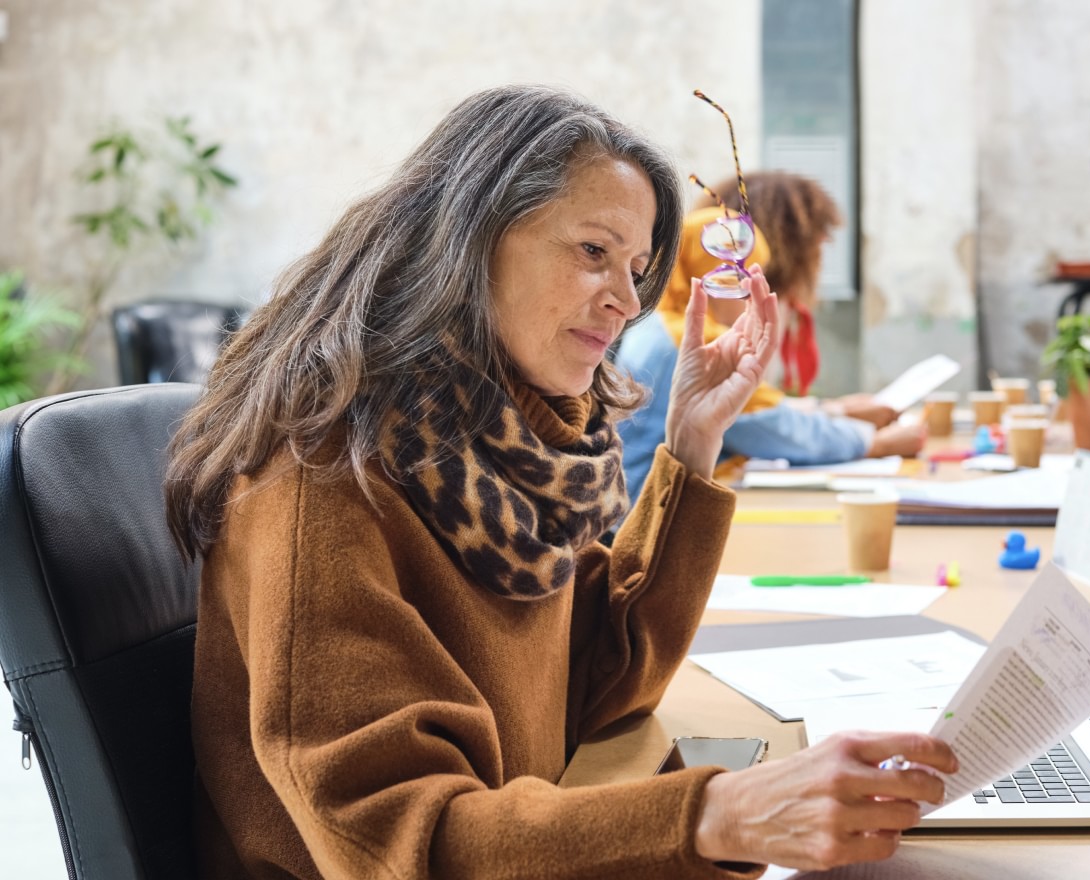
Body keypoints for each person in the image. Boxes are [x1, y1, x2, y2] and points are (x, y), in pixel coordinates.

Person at [165, 85, 955, 879]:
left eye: (637, 269)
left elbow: (604, 677)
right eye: (592, 252)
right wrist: (716, 816)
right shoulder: (325, 481)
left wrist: (692, 442)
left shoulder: (495, 451)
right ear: (471, 238)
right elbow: (408, 844)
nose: (625, 301)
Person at [616, 171, 923, 503]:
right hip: (646, 512)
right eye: (741, 282)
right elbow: (768, 425)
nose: (748, 296)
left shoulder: (660, 324)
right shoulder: (691, 337)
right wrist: (873, 443)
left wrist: (831, 411)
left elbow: (752, 408)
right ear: (711, 280)